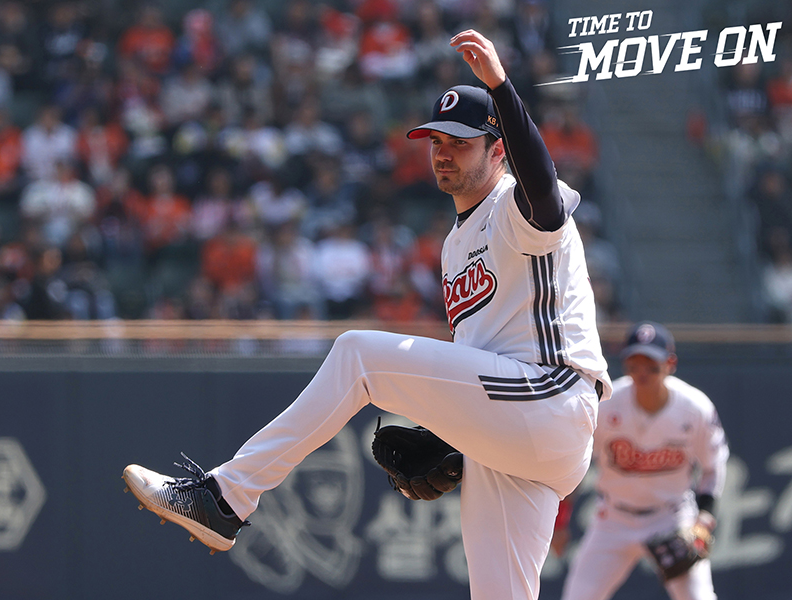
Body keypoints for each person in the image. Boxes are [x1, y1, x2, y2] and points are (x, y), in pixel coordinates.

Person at [123, 29, 611, 600]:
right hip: (519, 435)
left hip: (553, 395)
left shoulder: (513, 204)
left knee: (358, 354)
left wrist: (502, 89)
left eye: (460, 142)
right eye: (436, 140)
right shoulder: (454, 245)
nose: (442, 151)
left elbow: (544, 192)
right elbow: (482, 356)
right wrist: (457, 433)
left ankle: (226, 498)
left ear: (498, 150)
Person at [553, 321, 729, 600]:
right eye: (635, 363)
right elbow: (576, 463)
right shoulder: (605, 404)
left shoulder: (695, 408)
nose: (642, 371)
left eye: (651, 363)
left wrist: (705, 518)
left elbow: (713, 467)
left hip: (672, 519)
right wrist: (560, 520)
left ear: (670, 363)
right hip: (613, 519)